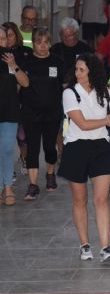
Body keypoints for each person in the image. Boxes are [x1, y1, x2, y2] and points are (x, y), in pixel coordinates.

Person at [58, 53, 110, 262]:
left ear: (92, 71)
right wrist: (108, 120)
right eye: (76, 69)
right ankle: (84, 245)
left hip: (101, 147)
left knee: (102, 199)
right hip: (76, 147)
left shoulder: (104, 91)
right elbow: (83, 124)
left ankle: (106, 247)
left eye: (81, 70)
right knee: (80, 200)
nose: (77, 73)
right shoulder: (70, 93)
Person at [20, 28, 64, 200]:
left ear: (50, 43)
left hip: (52, 112)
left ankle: (50, 174)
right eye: (39, 42)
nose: (43, 46)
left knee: (49, 146)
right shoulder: (26, 62)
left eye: (46, 42)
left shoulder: (57, 61)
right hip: (30, 112)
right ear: (33, 44)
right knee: (32, 147)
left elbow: (63, 85)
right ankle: (33, 185)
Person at [0, 26, 29, 206]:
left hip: (9, 110)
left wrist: (13, 65)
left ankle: (8, 187)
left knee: (7, 149)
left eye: (3, 39)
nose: (1, 42)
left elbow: (25, 83)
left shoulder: (13, 59)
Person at [50, 17, 93, 83]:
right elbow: (52, 73)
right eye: (64, 36)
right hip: (60, 86)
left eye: (70, 36)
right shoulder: (54, 49)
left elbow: (91, 72)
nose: (67, 39)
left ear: (76, 34)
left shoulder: (86, 50)